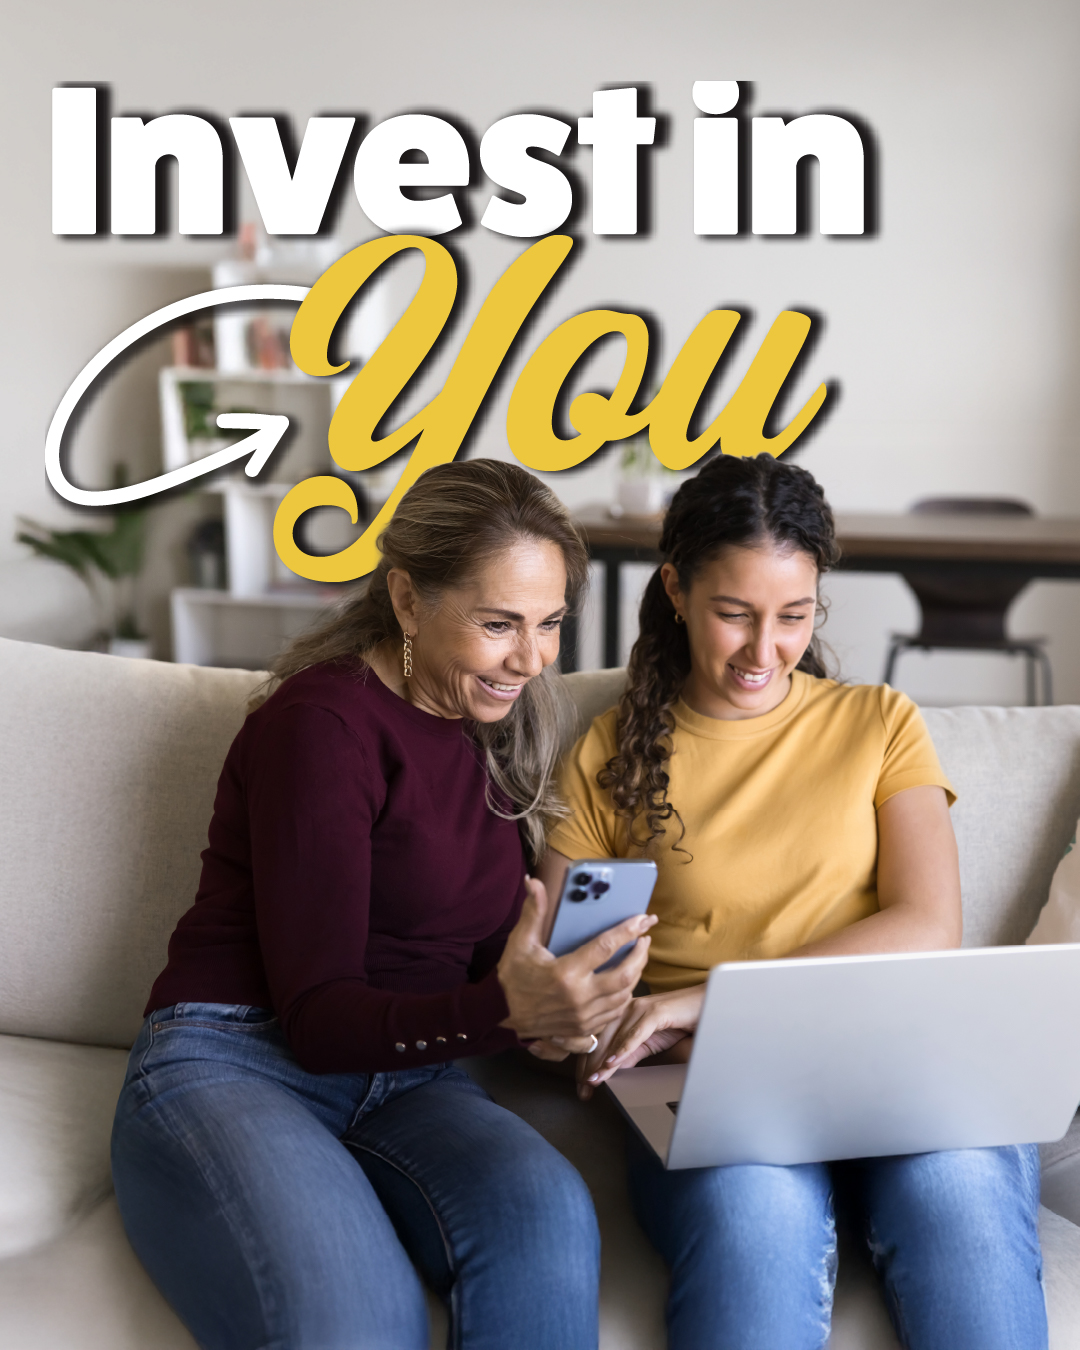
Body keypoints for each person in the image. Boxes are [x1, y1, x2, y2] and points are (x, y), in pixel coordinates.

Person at [111, 459, 656, 1350]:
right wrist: (505, 1010)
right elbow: (320, 1022)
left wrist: (557, 1016)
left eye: (551, 624)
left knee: (550, 1218)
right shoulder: (321, 727)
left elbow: (474, 975)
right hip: (238, 1056)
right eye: (498, 624)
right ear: (407, 601)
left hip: (410, 1079)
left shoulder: (497, 727)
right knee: (361, 1320)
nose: (532, 658)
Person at [539, 453, 1047, 1350]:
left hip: (898, 1062)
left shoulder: (878, 722)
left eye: (793, 617)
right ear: (678, 589)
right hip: (706, 1083)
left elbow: (929, 924)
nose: (763, 651)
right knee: (756, 1221)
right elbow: (571, 976)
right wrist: (588, 1020)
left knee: (961, 1194)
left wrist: (713, 997)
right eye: (734, 614)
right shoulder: (610, 755)